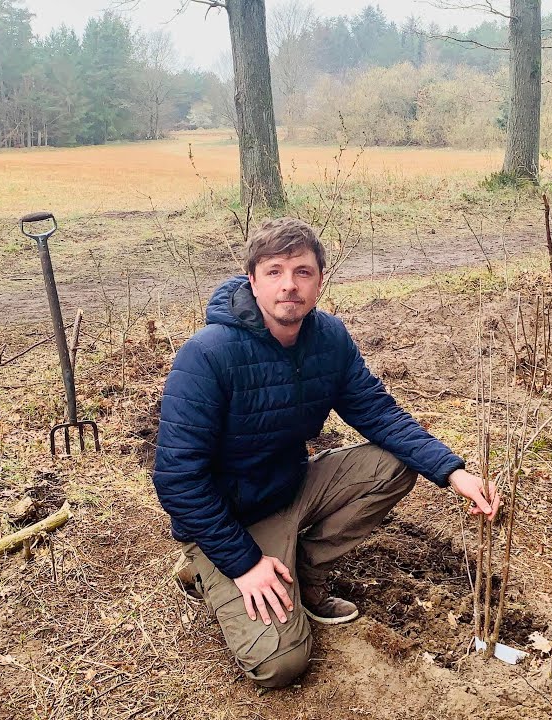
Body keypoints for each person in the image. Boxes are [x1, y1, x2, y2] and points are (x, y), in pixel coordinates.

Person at [152, 217, 499, 689]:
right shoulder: (208, 354)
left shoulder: (328, 338)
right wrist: (245, 564)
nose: (289, 286)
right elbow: (177, 479)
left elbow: (377, 412)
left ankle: (305, 567)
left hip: (290, 486)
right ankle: (204, 567)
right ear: (252, 281)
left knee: (394, 465)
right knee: (280, 665)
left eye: (303, 272)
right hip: (228, 518)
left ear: (319, 279)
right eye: (274, 272)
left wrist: (453, 472)